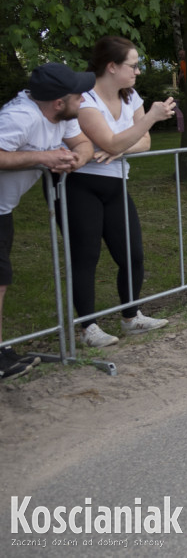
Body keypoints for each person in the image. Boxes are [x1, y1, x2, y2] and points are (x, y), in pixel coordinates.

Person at [66, 36, 178, 347]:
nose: (138, 71)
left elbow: (143, 143)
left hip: (116, 183)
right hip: (82, 185)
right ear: (112, 67)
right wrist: (147, 122)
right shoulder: (85, 100)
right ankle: (88, 327)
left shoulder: (131, 97)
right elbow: (116, 140)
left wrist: (119, 145)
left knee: (133, 254)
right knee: (86, 256)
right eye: (133, 65)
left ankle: (131, 316)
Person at [1, 63, 95, 377]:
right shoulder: (20, 117)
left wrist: (75, 159)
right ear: (58, 102)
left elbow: (83, 144)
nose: (84, 99)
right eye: (78, 95)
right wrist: (43, 157)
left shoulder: (60, 116)